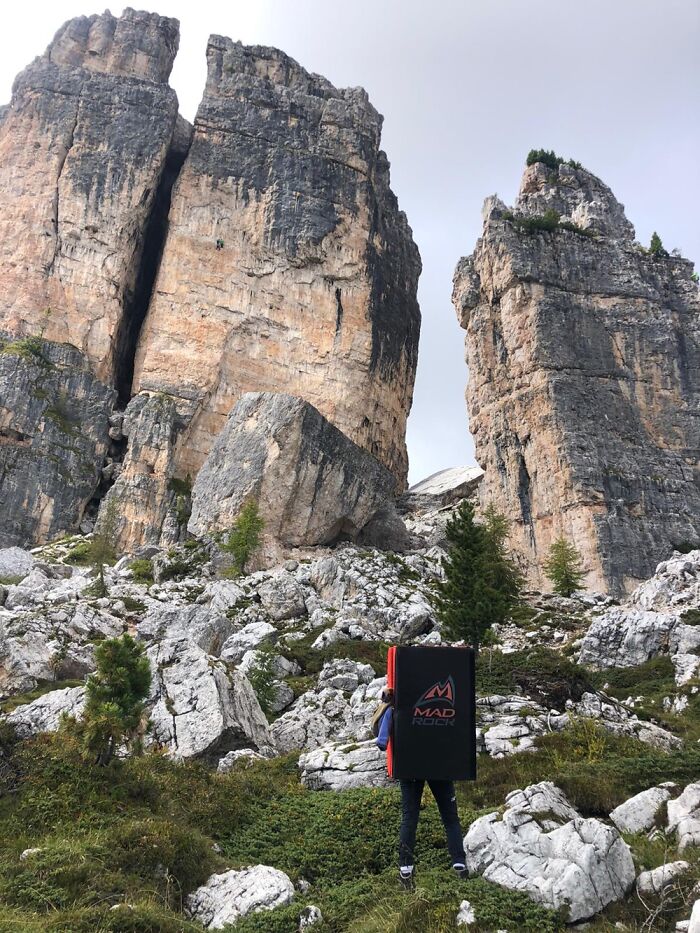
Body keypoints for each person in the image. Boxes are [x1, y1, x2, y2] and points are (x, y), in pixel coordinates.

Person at [376, 688, 468, 889]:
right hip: (440, 764)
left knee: (410, 818)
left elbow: (380, 737)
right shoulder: (447, 689)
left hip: (410, 765)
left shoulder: (399, 691)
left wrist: (388, 698)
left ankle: (406, 870)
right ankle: (460, 866)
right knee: (450, 818)